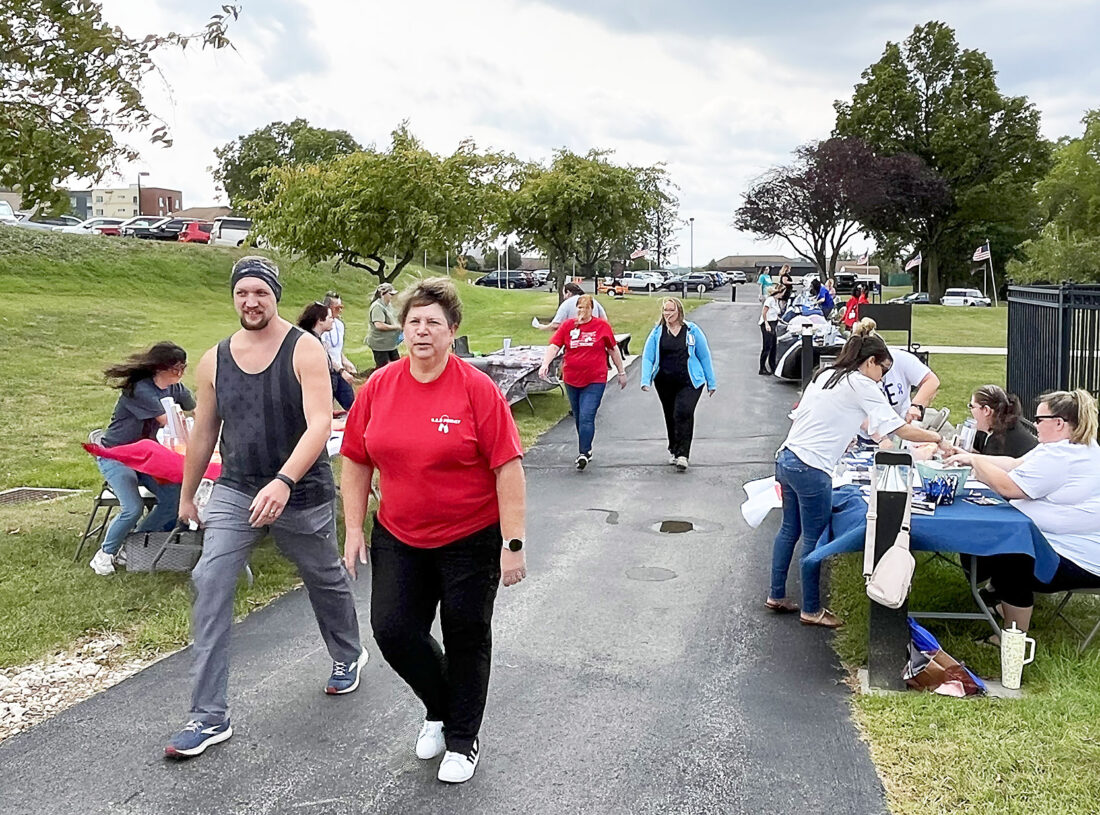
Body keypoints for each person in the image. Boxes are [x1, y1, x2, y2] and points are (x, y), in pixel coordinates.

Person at [168, 256, 364, 759]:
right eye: (242, 293)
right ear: (233, 297)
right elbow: (204, 433)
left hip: (299, 490)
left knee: (322, 576)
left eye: (260, 293)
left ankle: (348, 653)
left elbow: (320, 423)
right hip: (237, 488)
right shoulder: (215, 360)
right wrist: (188, 494)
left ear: (275, 295)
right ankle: (208, 715)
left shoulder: (304, 349)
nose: (251, 302)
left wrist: (283, 480)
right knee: (211, 581)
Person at [340, 277, 527, 784]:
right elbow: (355, 458)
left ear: (452, 330)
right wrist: (354, 527)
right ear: (402, 329)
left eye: (433, 323)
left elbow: (508, 467)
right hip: (399, 534)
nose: (422, 331)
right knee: (394, 631)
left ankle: (463, 738)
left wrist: (512, 543)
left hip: (471, 537)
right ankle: (442, 708)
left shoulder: (476, 389)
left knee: (466, 636)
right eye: (414, 321)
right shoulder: (379, 386)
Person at [767, 332, 950, 628]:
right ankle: (811, 609)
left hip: (787, 458)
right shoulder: (861, 383)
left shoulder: (827, 374)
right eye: (883, 370)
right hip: (812, 467)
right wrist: (937, 438)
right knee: (814, 537)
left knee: (789, 529)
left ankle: (776, 594)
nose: (883, 378)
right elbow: (899, 429)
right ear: (870, 361)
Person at [947, 390, 1100, 636]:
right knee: (1003, 539)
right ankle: (999, 601)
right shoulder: (1068, 446)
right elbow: (1015, 464)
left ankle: (1012, 637)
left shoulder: (1062, 455)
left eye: (1039, 419)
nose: (1034, 424)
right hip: (1063, 545)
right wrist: (967, 457)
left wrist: (977, 463)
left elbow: (1008, 487)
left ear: (1059, 423)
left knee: (1012, 555)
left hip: (1081, 558)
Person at [89, 342, 194, 576]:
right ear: (159, 368)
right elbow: (167, 421)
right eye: (176, 368)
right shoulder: (140, 390)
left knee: (175, 499)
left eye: (183, 367)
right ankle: (105, 554)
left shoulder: (174, 388)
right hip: (118, 456)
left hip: (146, 458)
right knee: (132, 508)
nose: (180, 373)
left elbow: (197, 408)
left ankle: (134, 544)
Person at [539, 294, 627, 470]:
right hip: (572, 378)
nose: (582, 311)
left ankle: (583, 452)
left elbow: (613, 349)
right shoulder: (567, 326)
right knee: (579, 416)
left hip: (595, 378)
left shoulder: (601, 326)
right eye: (579, 307)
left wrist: (621, 371)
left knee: (587, 415)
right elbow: (554, 346)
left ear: (591, 309)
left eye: (585, 308)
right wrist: (545, 364)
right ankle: (586, 447)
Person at [639, 298, 717, 471]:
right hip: (664, 381)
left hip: (690, 381)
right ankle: (674, 448)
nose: (667, 314)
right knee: (671, 415)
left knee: (683, 412)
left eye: (671, 310)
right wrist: (645, 380)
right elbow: (648, 357)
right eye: (665, 310)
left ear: (679, 311)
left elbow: (704, 356)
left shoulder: (692, 330)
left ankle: (683, 454)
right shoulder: (657, 332)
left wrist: (711, 382)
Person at [851, 318, 940, 424]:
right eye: (882, 367)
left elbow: (931, 380)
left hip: (900, 425)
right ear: (870, 362)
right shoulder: (850, 375)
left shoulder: (901, 358)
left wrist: (916, 406)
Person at [298, 301, 354, 411]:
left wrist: (342, 370)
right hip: (319, 389)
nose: (333, 320)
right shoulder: (309, 342)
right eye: (329, 317)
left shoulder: (317, 340)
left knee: (351, 404)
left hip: (331, 380)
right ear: (320, 321)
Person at [968, 384, 1038, 457]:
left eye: (972, 406)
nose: (970, 411)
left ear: (986, 410)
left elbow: (989, 462)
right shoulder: (1009, 427)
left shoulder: (1000, 441)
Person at [320, 290, 357, 408]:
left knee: (352, 405)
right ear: (328, 308)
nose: (340, 310)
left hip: (339, 370)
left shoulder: (340, 325)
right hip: (326, 372)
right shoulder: (321, 326)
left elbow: (337, 350)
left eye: (341, 307)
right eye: (337, 308)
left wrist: (346, 362)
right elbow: (325, 352)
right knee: (325, 407)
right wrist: (341, 370)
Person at [533, 282, 607, 330]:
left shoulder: (567, 304)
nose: (564, 297)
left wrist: (541, 326)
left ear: (568, 292)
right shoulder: (593, 301)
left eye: (564, 294)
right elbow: (604, 321)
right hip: (594, 339)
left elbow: (556, 325)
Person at [366, 282, 402, 368]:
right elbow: (379, 325)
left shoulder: (388, 305)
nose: (392, 296)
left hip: (390, 344)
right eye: (390, 294)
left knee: (397, 367)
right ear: (382, 293)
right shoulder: (377, 307)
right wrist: (397, 327)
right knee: (384, 369)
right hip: (380, 345)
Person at [757, 285, 782, 376]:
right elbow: (764, 312)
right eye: (781, 293)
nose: (782, 295)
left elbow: (774, 312)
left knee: (773, 346)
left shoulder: (776, 301)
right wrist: (766, 324)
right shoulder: (770, 300)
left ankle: (773, 366)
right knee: (767, 346)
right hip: (767, 324)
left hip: (773, 323)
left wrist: (779, 319)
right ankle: (762, 367)